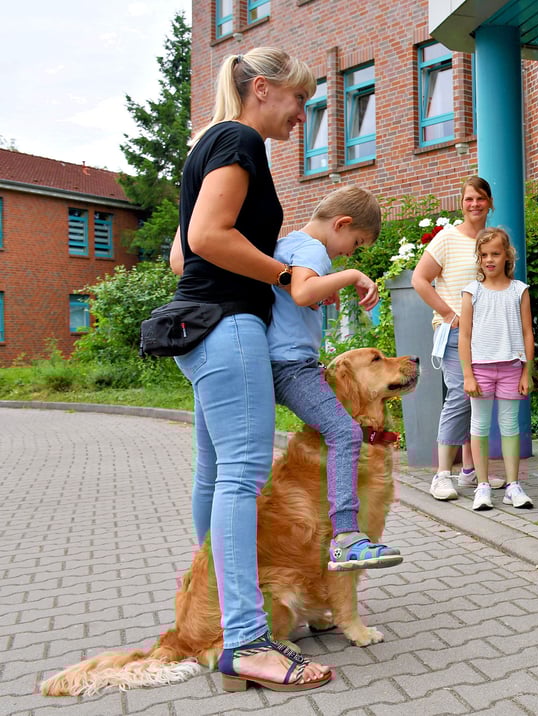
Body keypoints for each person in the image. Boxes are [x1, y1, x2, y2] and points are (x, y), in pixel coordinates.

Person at [167, 48, 332, 691]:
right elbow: (208, 237)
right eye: (298, 100)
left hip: (199, 328)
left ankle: (212, 613)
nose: (302, 113)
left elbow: (183, 254)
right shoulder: (238, 140)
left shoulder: (205, 142)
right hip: (230, 327)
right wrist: (286, 273)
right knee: (241, 478)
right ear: (262, 89)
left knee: (216, 475)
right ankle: (245, 639)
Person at [266, 186, 403, 572]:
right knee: (345, 433)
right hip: (291, 366)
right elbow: (302, 290)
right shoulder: (313, 250)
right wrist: (352, 275)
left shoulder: (288, 243)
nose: (349, 252)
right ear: (341, 224)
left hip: (278, 361)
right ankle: (346, 536)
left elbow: (296, 293)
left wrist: (317, 296)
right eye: (355, 243)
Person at [412, 176, 494, 501]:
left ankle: (470, 473)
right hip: (455, 332)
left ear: (490, 203)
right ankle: (441, 475)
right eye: (468, 199)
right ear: (461, 203)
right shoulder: (447, 238)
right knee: (459, 397)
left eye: (480, 199)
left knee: (479, 400)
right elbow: (420, 279)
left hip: (487, 335)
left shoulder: (492, 240)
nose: (474, 204)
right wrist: (448, 314)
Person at [459, 227, 535, 511]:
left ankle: (513, 485)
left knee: (510, 426)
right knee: (478, 426)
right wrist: (467, 374)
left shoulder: (519, 290)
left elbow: (528, 333)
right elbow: (464, 336)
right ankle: (482, 486)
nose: (489, 259)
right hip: (480, 369)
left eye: (495, 253)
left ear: (507, 256)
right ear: (478, 258)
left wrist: (526, 372)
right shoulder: (472, 291)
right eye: (484, 254)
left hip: (512, 368)